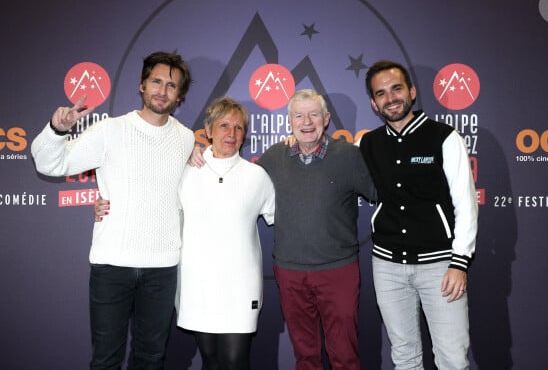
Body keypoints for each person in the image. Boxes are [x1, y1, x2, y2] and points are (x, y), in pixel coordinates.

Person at [31, 51, 194, 370]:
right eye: (156, 81)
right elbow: (51, 163)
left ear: (179, 95)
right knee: (106, 360)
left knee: (151, 359)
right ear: (142, 85)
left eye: (171, 85)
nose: (162, 90)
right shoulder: (110, 130)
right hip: (112, 266)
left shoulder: (186, 138)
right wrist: (55, 130)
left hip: (162, 268)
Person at [96, 97, 276, 370]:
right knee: (211, 359)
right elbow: (148, 199)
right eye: (224, 125)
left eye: (238, 128)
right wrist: (105, 204)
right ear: (208, 129)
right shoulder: (185, 172)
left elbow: (282, 217)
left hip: (240, 285)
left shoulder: (257, 176)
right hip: (196, 282)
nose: (231, 133)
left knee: (235, 360)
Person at [359, 60, 478, 369]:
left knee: (452, 359)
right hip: (386, 266)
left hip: (440, 268)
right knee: (404, 357)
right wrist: (296, 144)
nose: (391, 98)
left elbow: (466, 204)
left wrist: (459, 262)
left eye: (397, 88)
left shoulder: (444, 137)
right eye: (381, 93)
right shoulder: (367, 143)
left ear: (411, 91)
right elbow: (331, 165)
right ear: (374, 103)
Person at [257, 89, 376, 370]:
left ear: (326, 119)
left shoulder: (348, 155)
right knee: (305, 356)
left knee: (345, 355)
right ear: (290, 122)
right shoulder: (275, 155)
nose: (306, 122)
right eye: (299, 115)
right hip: (290, 271)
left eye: (313, 114)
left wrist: (380, 150)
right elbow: (241, 183)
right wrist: (204, 155)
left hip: (338, 271)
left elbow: (381, 191)